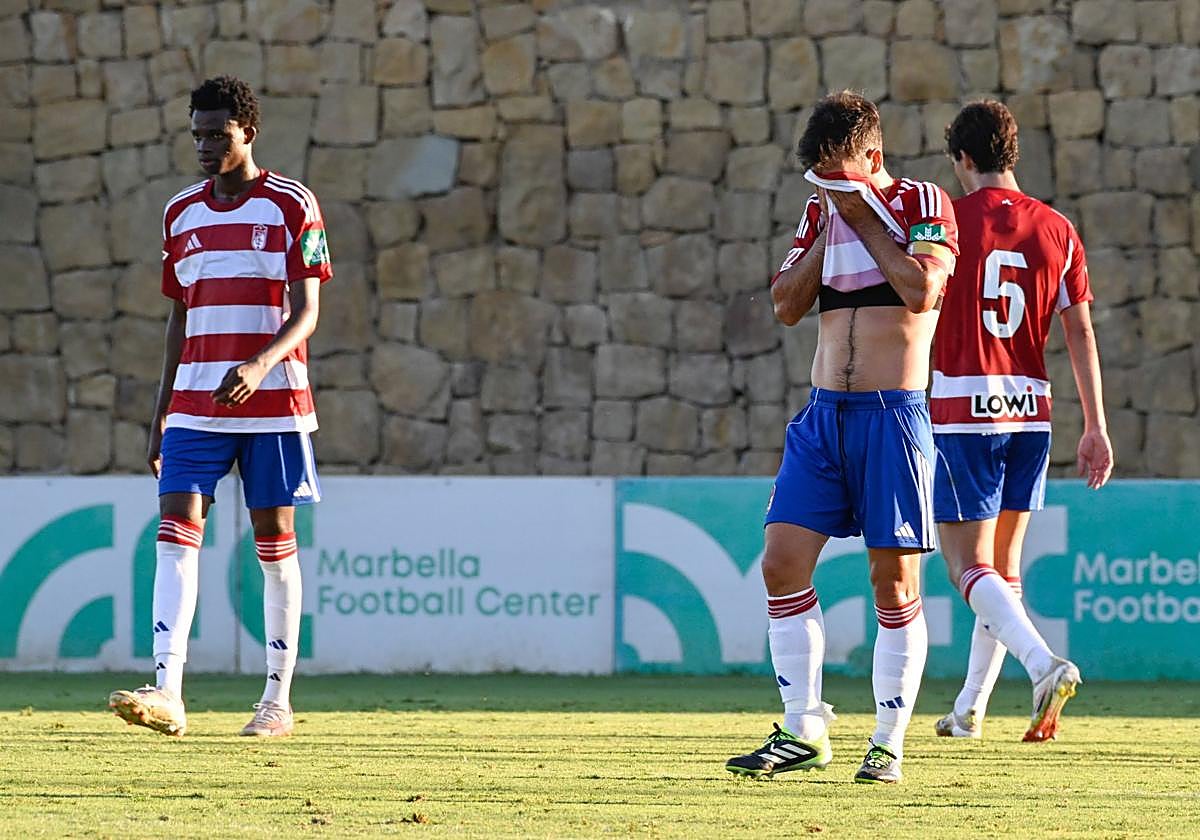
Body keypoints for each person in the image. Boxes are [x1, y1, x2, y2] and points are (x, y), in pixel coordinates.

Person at [725, 91, 959, 784]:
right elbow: (786, 306)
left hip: (893, 414)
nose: (830, 187)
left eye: (842, 172)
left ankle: (888, 740)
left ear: (873, 158)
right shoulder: (819, 211)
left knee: (893, 582)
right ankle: (803, 730)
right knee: (780, 562)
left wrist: (861, 215)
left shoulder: (923, 203)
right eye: (820, 176)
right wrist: (832, 222)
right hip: (824, 414)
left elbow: (920, 291)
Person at [108, 76, 332, 738]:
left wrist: (261, 363)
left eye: (218, 134)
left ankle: (275, 701)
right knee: (175, 530)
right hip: (196, 407)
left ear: (248, 133)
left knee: (273, 547)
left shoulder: (293, 204)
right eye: (198, 134)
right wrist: (161, 413)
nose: (206, 146)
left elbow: (309, 310)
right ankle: (168, 691)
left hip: (275, 406)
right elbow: (180, 320)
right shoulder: (181, 213)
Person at [931, 100, 1112, 742]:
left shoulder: (947, 220)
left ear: (963, 159)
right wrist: (1096, 425)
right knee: (1001, 569)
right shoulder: (1058, 228)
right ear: (1012, 155)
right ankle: (969, 709)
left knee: (964, 567)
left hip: (959, 408)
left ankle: (1043, 664)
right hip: (1031, 411)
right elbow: (1081, 331)